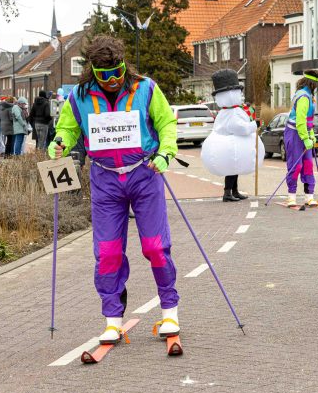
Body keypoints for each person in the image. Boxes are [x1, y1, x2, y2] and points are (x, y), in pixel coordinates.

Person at [50, 35, 182, 341]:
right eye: (104, 75)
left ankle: (169, 311)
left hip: (144, 173)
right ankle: (112, 318)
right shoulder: (79, 96)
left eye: (117, 73)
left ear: (125, 66)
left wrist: (165, 153)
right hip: (105, 179)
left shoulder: (146, 88)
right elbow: (67, 129)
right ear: (93, 71)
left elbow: (166, 124)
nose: (112, 81)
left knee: (155, 247)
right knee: (107, 252)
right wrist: (59, 144)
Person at [200, 69, 258, 203]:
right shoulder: (231, 112)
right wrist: (254, 125)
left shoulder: (227, 111)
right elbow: (240, 128)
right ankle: (227, 193)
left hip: (231, 146)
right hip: (230, 147)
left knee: (234, 169)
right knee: (232, 169)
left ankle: (234, 191)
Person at [284, 71, 318, 207]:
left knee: (308, 165)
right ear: (312, 84)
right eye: (316, 84)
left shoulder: (309, 96)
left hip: (304, 133)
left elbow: (308, 119)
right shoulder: (304, 97)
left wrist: (311, 134)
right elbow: (300, 121)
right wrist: (305, 138)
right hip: (294, 133)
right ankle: (291, 196)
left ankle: (309, 196)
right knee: (296, 165)